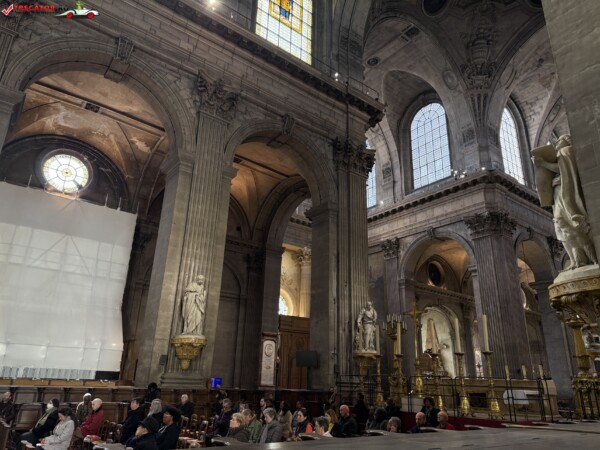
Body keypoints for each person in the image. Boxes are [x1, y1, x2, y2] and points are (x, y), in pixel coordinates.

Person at [532, 134, 598, 268]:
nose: (556, 143)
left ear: (567, 141)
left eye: (559, 140)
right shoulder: (561, 154)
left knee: (570, 224)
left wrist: (543, 163)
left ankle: (591, 259)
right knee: (562, 226)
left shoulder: (566, 150)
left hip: (564, 191)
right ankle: (577, 260)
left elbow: (561, 169)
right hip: (558, 193)